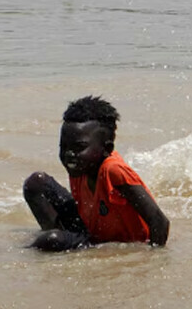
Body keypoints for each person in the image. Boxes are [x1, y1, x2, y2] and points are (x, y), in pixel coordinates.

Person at [23, 95, 170, 251]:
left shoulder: (113, 171)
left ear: (106, 149)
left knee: (52, 240)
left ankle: (45, 247)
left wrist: (153, 259)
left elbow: (160, 222)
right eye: (64, 146)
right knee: (36, 183)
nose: (69, 154)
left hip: (108, 242)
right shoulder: (80, 166)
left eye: (79, 147)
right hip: (90, 228)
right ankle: (59, 241)